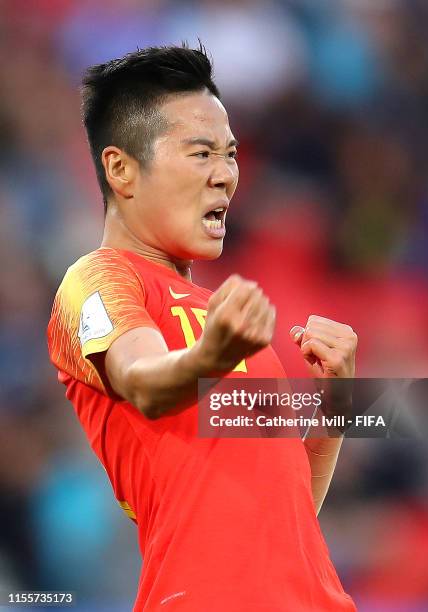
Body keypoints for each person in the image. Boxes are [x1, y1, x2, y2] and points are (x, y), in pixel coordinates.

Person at [47, 44, 358, 611]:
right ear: (121, 169)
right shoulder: (99, 280)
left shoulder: (220, 317)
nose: (227, 176)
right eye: (201, 153)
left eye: (231, 154)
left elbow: (286, 512)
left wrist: (335, 404)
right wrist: (206, 359)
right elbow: (141, 380)